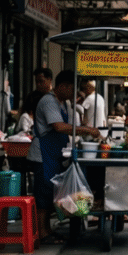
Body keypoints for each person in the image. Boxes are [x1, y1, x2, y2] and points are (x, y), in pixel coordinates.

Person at [26, 70, 99, 244]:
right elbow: (59, 127)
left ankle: (47, 230)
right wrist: (87, 130)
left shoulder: (63, 103)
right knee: (43, 192)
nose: (73, 93)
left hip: (55, 153)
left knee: (51, 191)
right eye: (71, 89)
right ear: (62, 86)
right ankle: (42, 233)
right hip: (43, 154)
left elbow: (71, 124)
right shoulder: (48, 101)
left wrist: (82, 126)